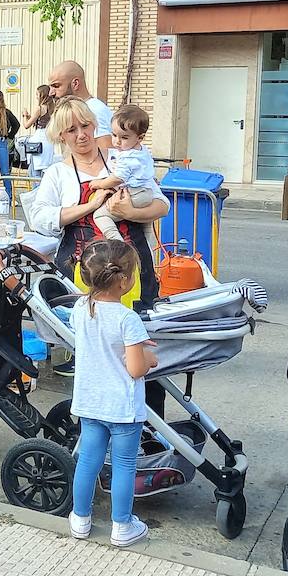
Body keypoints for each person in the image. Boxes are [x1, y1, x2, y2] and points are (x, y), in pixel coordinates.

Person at [27, 98, 169, 379]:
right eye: (71, 130)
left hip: (134, 271)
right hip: (84, 275)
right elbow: (40, 217)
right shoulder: (57, 173)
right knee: (95, 358)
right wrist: (89, 207)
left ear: (94, 125)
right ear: (61, 135)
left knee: (138, 351)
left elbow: (162, 204)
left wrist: (130, 211)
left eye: (85, 125)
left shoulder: (121, 159)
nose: (80, 134)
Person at [67, 239, 156, 548]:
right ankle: (122, 525)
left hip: (91, 404)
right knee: (123, 466)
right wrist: (149, 356)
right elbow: (135, 369)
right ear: (123, 281)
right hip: (123, 408)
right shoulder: (127, 319)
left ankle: (80, 518)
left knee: (88, 461)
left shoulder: (80, 308)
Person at [90, 105, 164, 243]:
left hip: (134, 193)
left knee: (100, 216)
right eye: (114, 135)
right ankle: (147, 250)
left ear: (140, 137)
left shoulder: (127, 156)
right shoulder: (142, 151)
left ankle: (118, 243)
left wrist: (100, 183)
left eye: (124, 137)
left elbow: (117, 178)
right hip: (146, 193)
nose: (117, 141)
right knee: (145, 225)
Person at [47, 60, 113, 151]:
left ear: (75, 84)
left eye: (56, 86)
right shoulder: (87, 108)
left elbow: (107, 154)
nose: (51, 93)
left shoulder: (93, 110)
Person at [23, 86, 59, 178]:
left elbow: (27, 125)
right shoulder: (53, 107)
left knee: (34, 173)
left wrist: (24, 116)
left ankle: (37, 192)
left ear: (42, 95)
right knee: (45, 170)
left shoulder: (39, 108)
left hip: (39, 141)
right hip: (49, 140)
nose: (36, 97)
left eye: (37, 94)